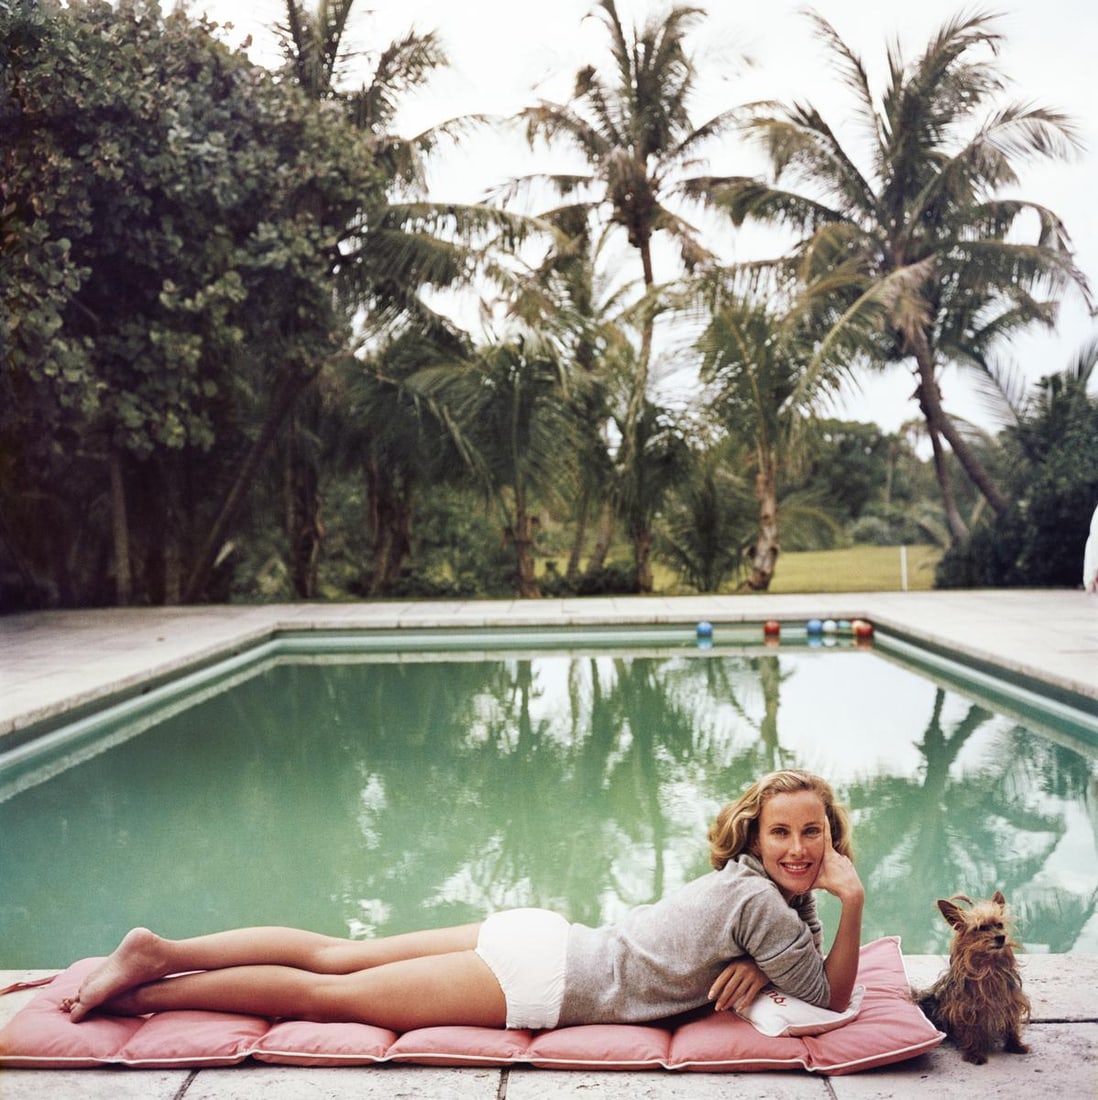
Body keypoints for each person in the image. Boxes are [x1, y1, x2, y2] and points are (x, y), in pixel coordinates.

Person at [61, 769, 864, 1031]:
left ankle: (160, 953)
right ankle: (147, 987)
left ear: (830, 834)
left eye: (814, 835)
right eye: (782, 834)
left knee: (334, 955)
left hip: (546, 936)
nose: (799, 850)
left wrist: (757, 973)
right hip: (547, 983)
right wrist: (852, 901)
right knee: (323, 996)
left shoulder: (755, 894)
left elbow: (788, 972)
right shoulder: (768, 905)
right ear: (755, 838)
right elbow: (826, 997)